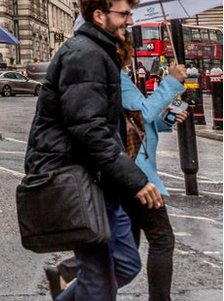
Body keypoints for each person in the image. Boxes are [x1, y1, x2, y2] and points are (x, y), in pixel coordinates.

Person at [26, 0, 162, 301]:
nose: (129, 21)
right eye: (124, 14)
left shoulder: (99, 52)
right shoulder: (84, 54)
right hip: (77, 178)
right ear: (100, 16)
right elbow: (88, 127)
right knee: (99, 280)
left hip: (100, 180)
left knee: (125, 265)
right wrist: (136, 180)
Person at [47, 38, 187, 300]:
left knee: (125, 253)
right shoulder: (115, 78)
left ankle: (68, 272)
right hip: (133, 174)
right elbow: (144, 112)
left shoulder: (120, 76)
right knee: (161, 240)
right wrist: (171, 81)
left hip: (128, 171)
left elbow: (138, 122)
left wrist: (169, 115)